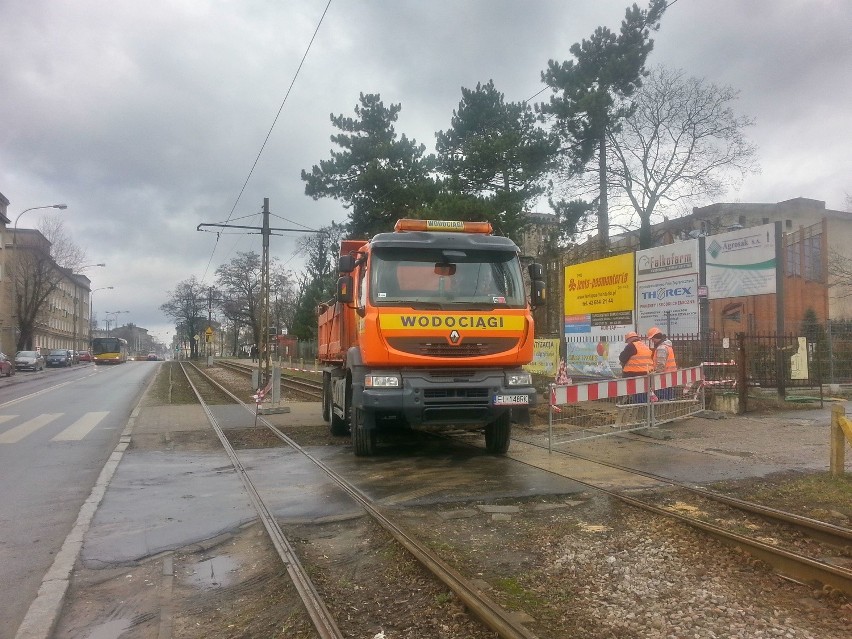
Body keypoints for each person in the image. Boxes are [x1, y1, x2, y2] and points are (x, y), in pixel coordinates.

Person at [619, 331, 652, 403]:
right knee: (643, 392)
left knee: (636, 393)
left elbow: (622, 358)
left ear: (629, 339)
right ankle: (644, 407)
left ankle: (639, 407)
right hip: (646, 373)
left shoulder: (631, 346)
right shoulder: (644, 345)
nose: (627, 343)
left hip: (633, 373)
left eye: (627, 341)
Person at [647, 327, 677, 399]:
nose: (652, 341)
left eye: (652, 339)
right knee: (669, 395)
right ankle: (668, 407)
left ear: (655, 337)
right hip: (670, 374)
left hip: (663, 375)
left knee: (663, 396)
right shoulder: (667, 346)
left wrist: (656, 373)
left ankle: (663, 407)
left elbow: (660, 364)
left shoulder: (661, 348)